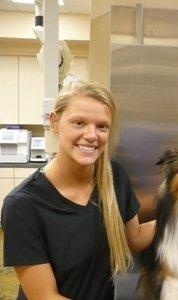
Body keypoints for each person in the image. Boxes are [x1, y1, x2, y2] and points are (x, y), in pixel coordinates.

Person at [1, 80, 155, 299]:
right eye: (79, 123)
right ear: (55, 122)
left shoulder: (113, 173)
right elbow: (45, 296)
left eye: (102, 126)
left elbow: (135, 238)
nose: (92, 135)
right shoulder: (23, 205)